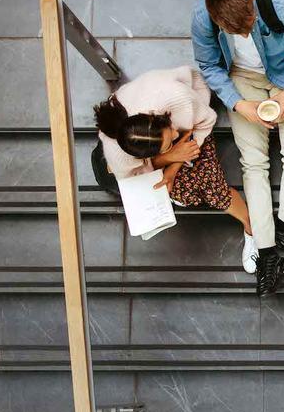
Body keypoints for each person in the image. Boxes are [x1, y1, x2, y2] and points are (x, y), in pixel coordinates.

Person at [193, 0, 284, 296]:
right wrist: (239, 104)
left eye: (251, 25)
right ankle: (267, 252)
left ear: (252, 5)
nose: (247, 33)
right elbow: (209, 65)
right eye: (237, 32)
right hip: (241, 81)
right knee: (253, 163)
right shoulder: (203, 19)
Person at [93, 65, 261, 283]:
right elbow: (135, 172)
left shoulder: (176, 99)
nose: (174, 133)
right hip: (162, 145)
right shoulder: (118, 154)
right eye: (168, 142)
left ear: (157, 117)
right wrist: (170, 157)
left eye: (169, 131)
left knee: (211, 189)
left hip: (194, 115)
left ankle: (251, 227)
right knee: (186, 193)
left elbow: (204, 122)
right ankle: (183, 181)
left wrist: (174, 161)